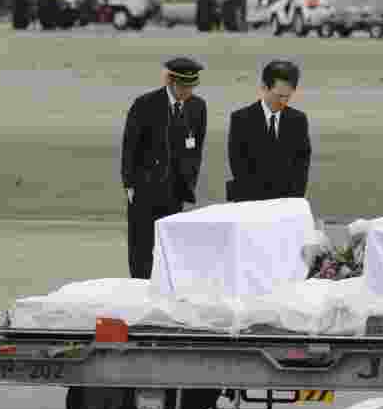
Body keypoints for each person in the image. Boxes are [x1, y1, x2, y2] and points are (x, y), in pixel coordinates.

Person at [121, 57, 207, 279]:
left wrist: (189, 181)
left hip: (175, 190)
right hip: (145, 188)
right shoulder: (145, 104)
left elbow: (196, 149)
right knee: (141, 245)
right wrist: (129, 184)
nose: (187, 92)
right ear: (170, 81)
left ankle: (164, 288)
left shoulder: (197, 107)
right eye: (183, 86)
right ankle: (139, 287)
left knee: (168, 246)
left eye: (191, 86)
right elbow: (130, 146)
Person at [226, 59, 311, 203]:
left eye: (288, 96)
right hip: (251, 201)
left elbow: (301, 165)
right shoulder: (241, 119)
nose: (283, 101)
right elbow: (238, 165)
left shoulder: (298, 120)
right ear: (264, 87)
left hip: (287, 202)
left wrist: (294, 201)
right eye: (279, 96)